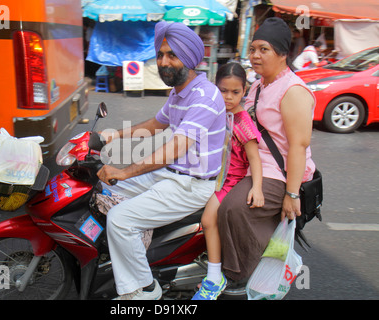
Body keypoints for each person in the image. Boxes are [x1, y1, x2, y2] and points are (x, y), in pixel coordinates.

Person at [97, 21, 226, 300]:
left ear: (190, 58)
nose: (163, 62)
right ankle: (121, 256)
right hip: (170, 175)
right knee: (104, 191)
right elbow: (156, 124)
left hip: (189, 186)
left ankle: (144, 289)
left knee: (120, 219)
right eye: (160, 54)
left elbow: (176, 147)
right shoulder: (178, 92)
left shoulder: (205, 96)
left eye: (172, 55)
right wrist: (111, 137)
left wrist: (124, 172)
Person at [217, 17, 316, 290]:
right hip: (252, 163)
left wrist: (291, 194)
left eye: (264, 49)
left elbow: (298, 146)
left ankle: (241, 273)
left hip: (279, 173)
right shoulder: (260, 85)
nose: (255, 55)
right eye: (253, 49)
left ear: (283, 53)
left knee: (234, 208)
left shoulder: (293, 91)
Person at [192, 63, 264, 300]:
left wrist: (257, 188)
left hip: (229, 182)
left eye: (235, 92)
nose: (229, 97)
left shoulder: (242, 122)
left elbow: (254, 158)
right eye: (223, 91)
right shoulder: (218, 114)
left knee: (207, 219)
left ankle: (214, 277)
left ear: (245, 91)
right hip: (211, 175)